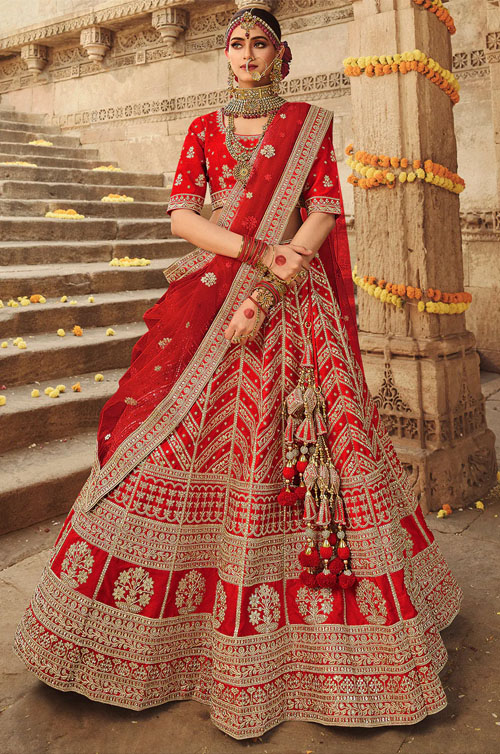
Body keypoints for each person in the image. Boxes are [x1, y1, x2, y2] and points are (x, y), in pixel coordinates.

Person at [12, 7, 462, 741]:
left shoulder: (310, 123)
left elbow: (322, 210)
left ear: (280, 56)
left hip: (295, 306)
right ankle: (158, 642)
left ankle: (335, 651)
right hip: (217, 296)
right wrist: (256, 255)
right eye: (237, 44)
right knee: (165, 436)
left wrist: (278, 282)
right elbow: (182, 217)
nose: (247, 53)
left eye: (259, 43)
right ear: (226, 56)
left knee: (320, 453)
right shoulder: (202, 130)